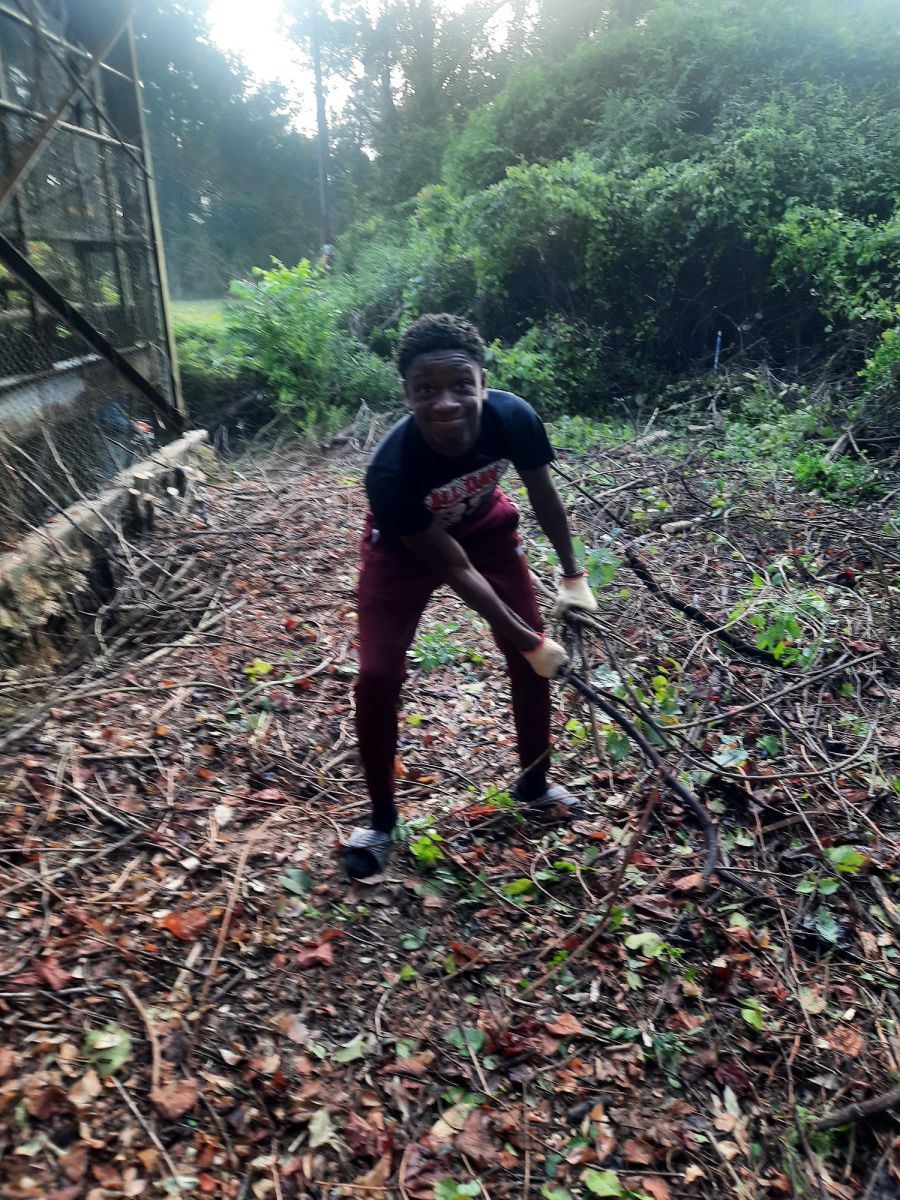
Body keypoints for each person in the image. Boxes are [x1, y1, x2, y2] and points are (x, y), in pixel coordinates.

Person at [345, 313, 598, 879]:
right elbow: (453, 567)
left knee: (528, 667)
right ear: (407, 396)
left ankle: (534, 781)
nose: (447, 403)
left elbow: (543, 493)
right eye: (426, 390)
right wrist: (530, 638)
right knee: (378, 675)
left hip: (487, 530)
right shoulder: (389, 472)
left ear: (484, 382)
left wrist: (573, 576)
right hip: (404, 551)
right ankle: (382, 819)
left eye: (462, 385)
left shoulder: (514, 419)